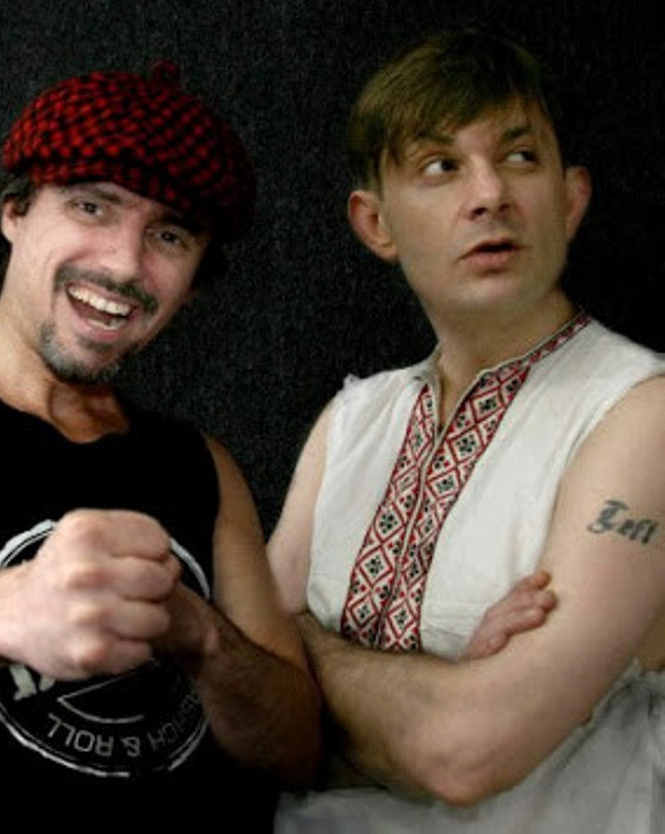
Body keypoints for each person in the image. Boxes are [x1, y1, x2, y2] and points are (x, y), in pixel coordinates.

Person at [0, 64, 321, 831]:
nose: (123, 264)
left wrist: (197, 633)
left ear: (196, 281)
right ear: (15, 211)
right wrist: (17, 606)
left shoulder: (201, 464)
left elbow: (297, 748)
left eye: (168, 235)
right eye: (91, 206)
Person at [268, 30, 665, 832]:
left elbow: (465, 752)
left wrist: (304, 647)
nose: (489, 194)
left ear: (570, 199)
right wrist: (441, 683)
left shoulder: (641, 413)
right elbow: (239, 706)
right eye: (440, 166)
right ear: (375, 223)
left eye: (519, 157)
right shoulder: (353, 422)